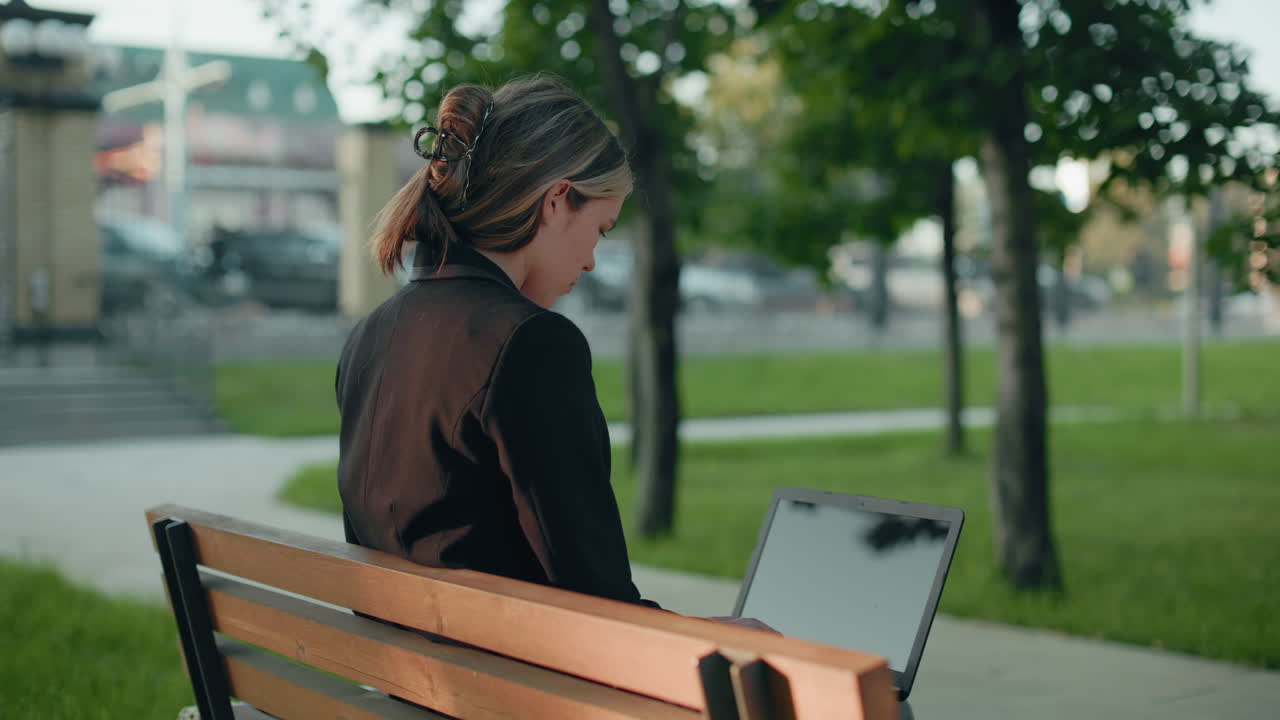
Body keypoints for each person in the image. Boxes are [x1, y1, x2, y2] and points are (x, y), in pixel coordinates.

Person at [335, 74, 773, 632]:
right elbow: (596, 601)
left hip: (414, 687)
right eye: (600, 229)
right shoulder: (529, 343)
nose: (591, 261)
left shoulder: (372, 335)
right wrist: (720, 637)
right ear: (557, 201)